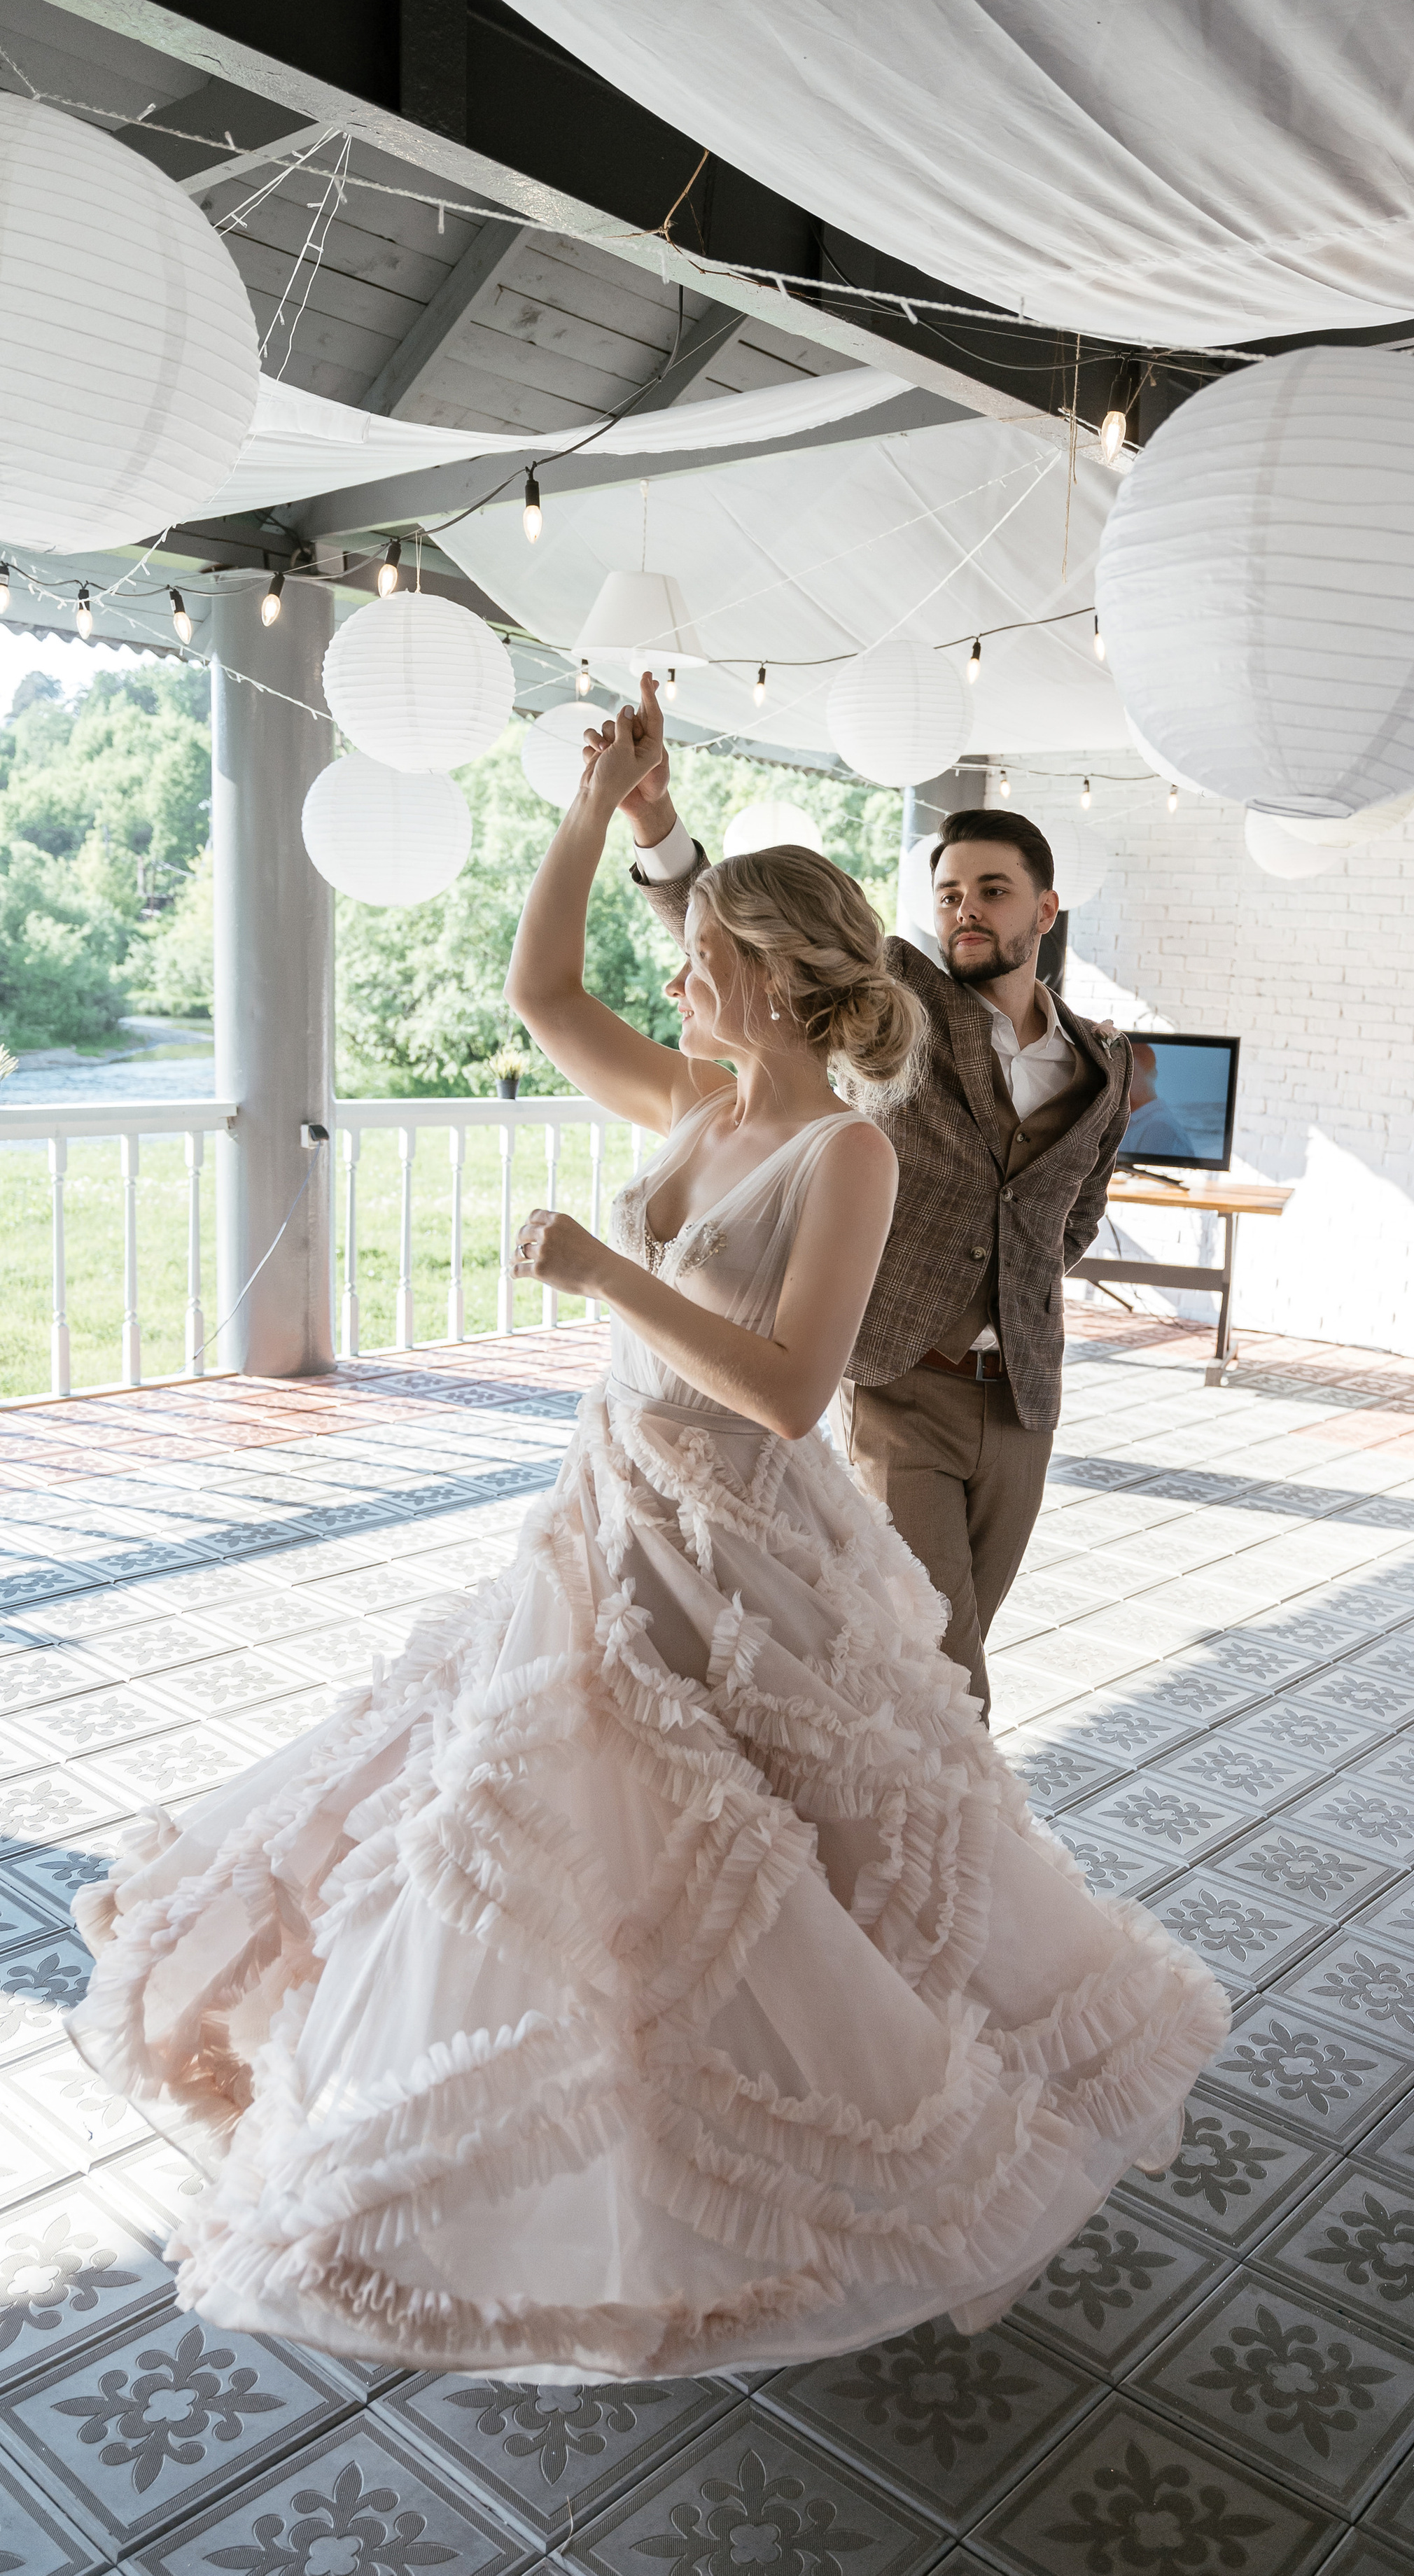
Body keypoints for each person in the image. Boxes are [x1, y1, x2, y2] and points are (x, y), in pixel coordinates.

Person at [66, 675, 1227, 2384]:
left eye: (702, 959)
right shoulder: (687, 1104)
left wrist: (604, 1272)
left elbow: (782, 1390)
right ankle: (605, 2140)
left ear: (769, 974)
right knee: (540, 1813)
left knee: (780, 1833)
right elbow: (537, 987)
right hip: (605, 1506)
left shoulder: (846, 1151)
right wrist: (595, 807)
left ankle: (832, 2120)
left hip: (741, 1528)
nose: (674, 975)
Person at [627, 734, 1133, 1718]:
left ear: (1046, 909)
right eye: (950, 892)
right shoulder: (897, 987)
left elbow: (1075, 1222)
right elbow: (743, 940)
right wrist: (654, 825)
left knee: (961, 1638)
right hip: (901, 1386)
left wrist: (1019, 1284)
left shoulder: (1103, 1063)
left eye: (992, 891)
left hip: (1022, 1400)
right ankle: (963, 1861)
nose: (966, 910)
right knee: (938, 1670)